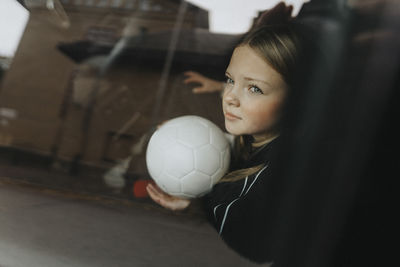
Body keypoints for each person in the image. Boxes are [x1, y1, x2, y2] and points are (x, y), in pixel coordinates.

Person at [146, 23, 307, 263]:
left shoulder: (272, 177)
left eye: (254, 88)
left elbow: (244, 241)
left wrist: (199, 204)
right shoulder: (253, 144)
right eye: (230, 80)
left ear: (296, 100)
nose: (230, 97)